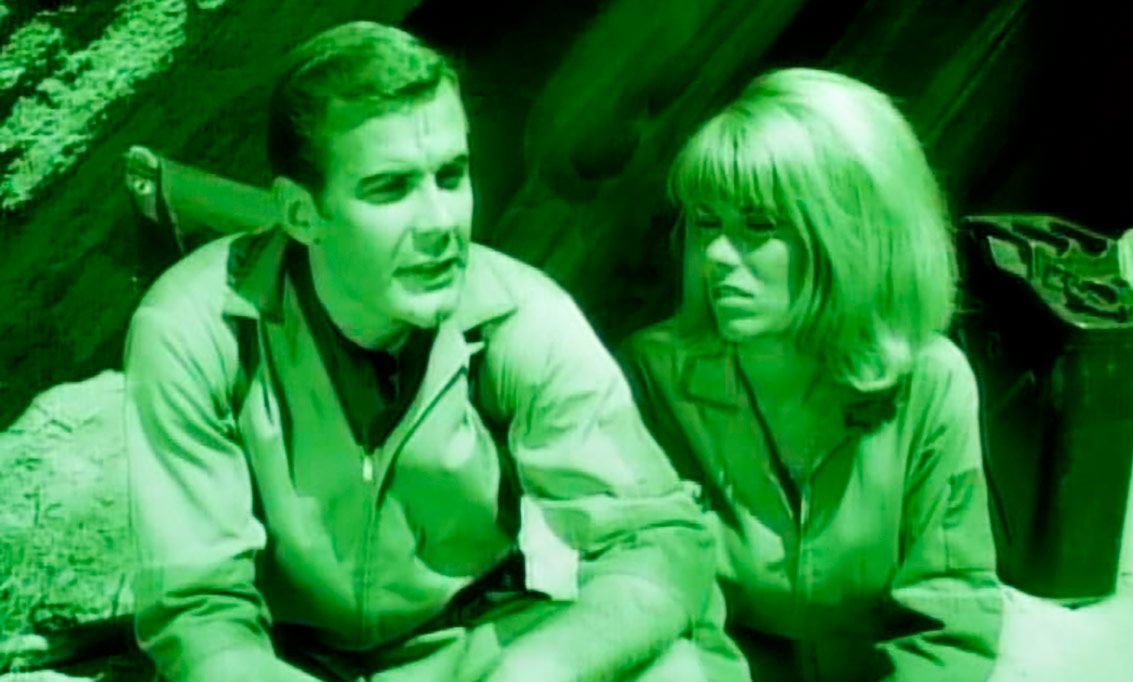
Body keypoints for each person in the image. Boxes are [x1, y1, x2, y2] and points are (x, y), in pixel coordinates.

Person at [124, 22, 721, 682]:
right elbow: (200, 615)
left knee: (679, 672)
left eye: (451, 176)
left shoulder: (521, 316)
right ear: (300, 213)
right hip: (285, 664)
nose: (440, 223)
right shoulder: (195, 329)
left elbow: (656, 542)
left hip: (479, 647)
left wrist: (537, 670)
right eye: (390, 188)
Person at [620, 68, 1003, 681]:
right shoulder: (653, 374)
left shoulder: (930, 383)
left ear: (849, 235)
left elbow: (950, 623)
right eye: (708, 222)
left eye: (759, 226)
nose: (717, 255)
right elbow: (646, 598)